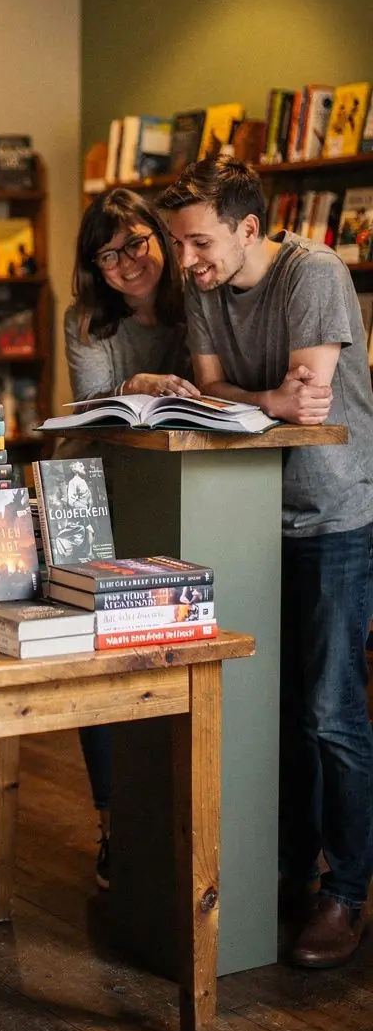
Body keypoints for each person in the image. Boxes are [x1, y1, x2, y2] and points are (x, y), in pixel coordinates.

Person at [160, 158, 373, 968]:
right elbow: (219, 397)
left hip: (336, 512)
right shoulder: (203, 282)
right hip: (249, 514)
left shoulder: (314, 273)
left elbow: (307, 400)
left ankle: (347, 892)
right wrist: (266, 402)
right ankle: (292, 869)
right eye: (180, 245)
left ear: (251, 228)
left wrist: (266, 403)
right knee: (276, 711)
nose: (186, 263)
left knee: (330, 712)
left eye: (200, 243)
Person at [63, 189, 197, 887]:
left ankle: (183, 823)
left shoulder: (199, 305)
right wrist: (138, 385)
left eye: (135, 244)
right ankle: (112, 820)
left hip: (182, 499)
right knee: (104, 664)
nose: (123, 265)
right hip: (97, 494)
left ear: (162, 239)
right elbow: (92, 411)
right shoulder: (87, 320)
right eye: (106, 255)